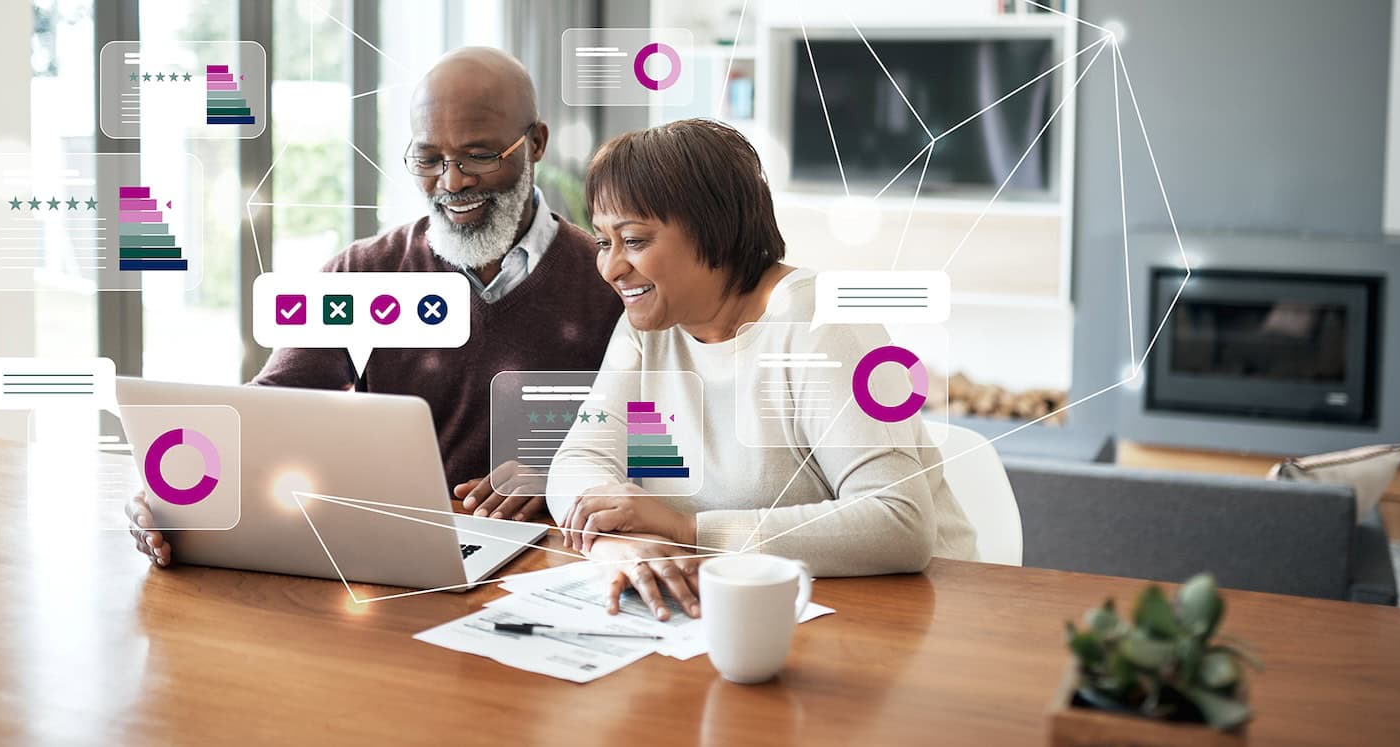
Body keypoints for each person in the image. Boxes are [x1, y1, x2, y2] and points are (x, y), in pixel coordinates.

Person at [128, 48, 625, 567]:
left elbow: (663, 439)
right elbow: (268, 412)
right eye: (429, 159)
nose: (452, 183)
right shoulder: (363, 273)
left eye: (479, 156)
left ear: (536, 144)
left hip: (552, 566)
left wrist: (568, 470)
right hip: (394, 558)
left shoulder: (610, 280)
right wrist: (172, 490)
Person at [546, 118, 976, 619]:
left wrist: (687, 531)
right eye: (603, 242)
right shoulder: (647, 329)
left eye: (635, 241)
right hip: (753, 606)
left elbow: (899, 523)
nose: (611, 267)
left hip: (916, 615)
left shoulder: (824, 326)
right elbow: (578, 459)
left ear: (716, 231)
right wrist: (613, 544)